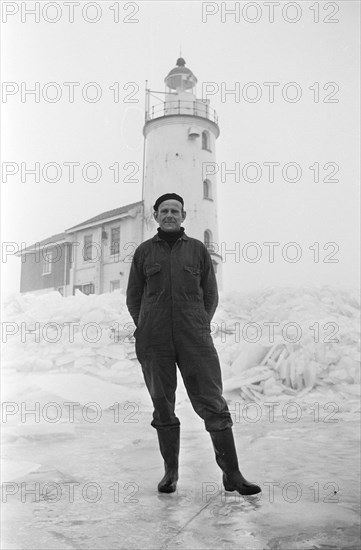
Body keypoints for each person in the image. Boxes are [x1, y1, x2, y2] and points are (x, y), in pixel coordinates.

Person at [126, 193, 261, 496]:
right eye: (165, 211)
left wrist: (198, 324)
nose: (170, 215)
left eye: (175, 211)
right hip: (154, 341)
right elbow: (134, 297)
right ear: (155, 215)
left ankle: (233, 474)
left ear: (184, 216)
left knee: (212, 403)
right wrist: (146, 324)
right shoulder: (144, 253)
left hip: (194, 340)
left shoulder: (198, 251)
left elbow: (210, 295)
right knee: (162, 405)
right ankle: (170, 474)